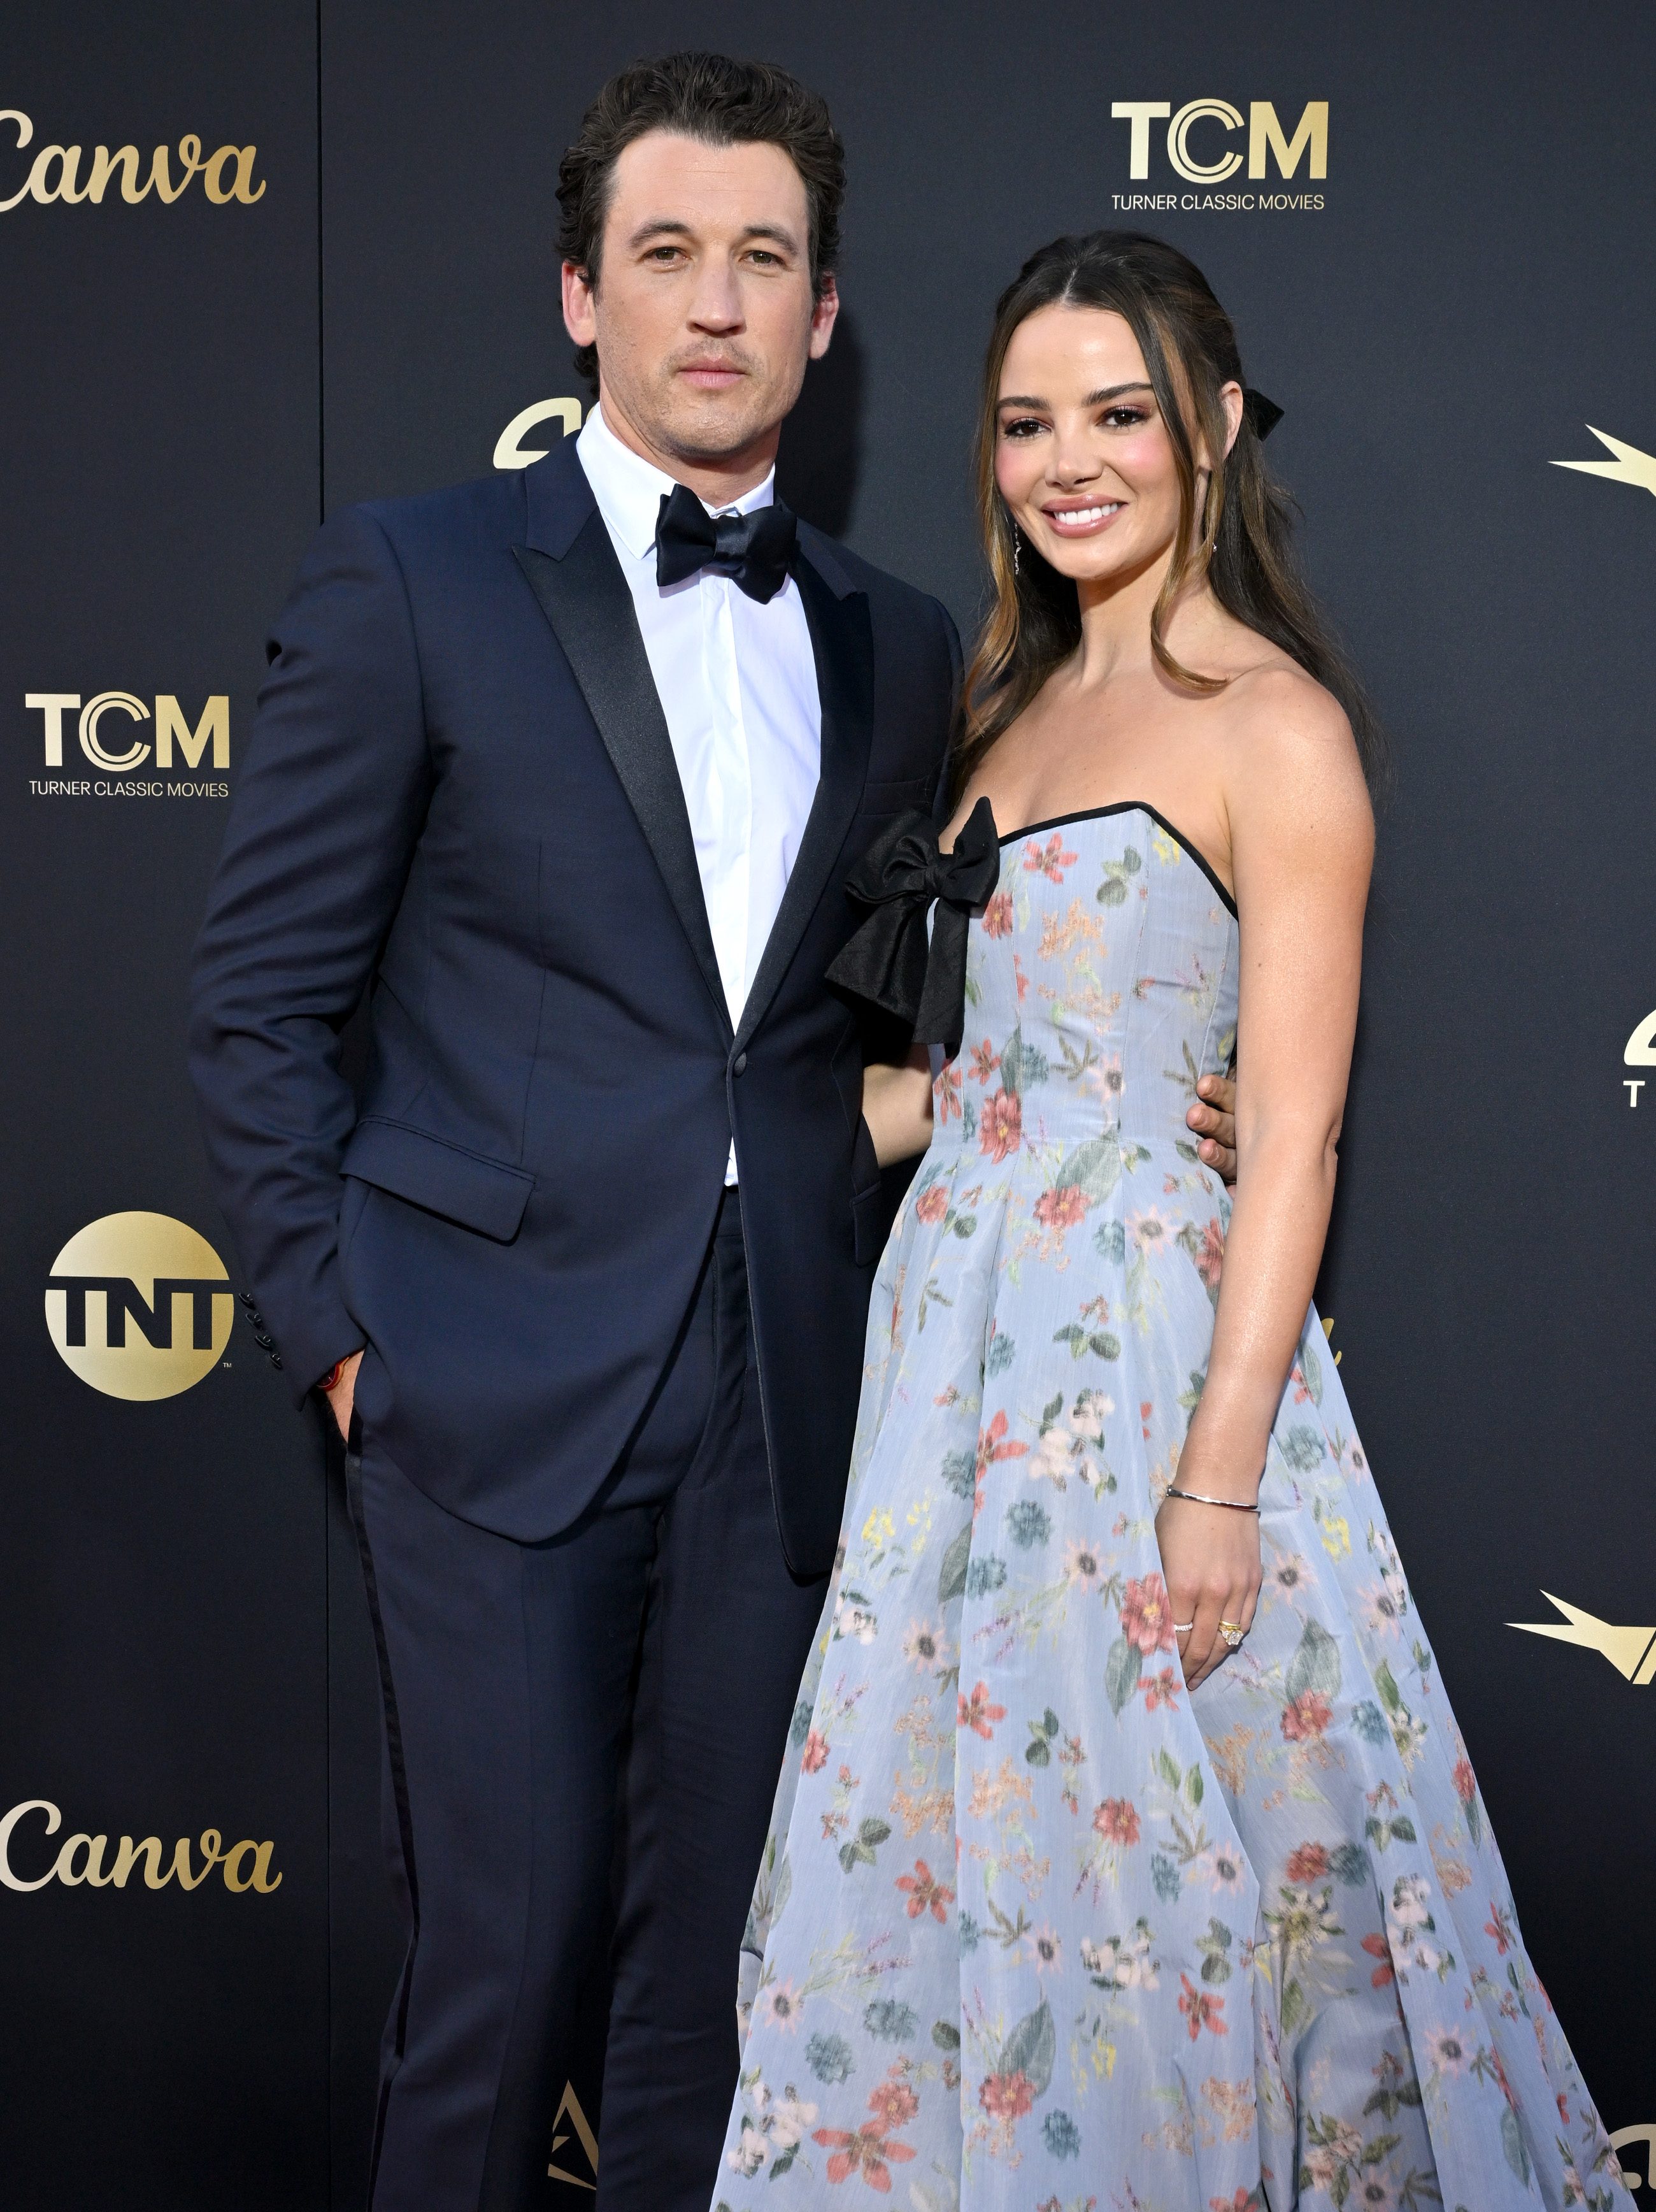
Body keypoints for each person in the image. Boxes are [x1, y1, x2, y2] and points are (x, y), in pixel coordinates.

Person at [189, 56, 1242, 2212]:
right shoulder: (411, 579)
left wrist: (1134, 1084)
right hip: (482, 1384)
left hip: (792, 1402)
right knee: (505, 1966)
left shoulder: (900, 643)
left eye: (764, 259)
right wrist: (346, 1341)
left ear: (827, 314)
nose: (716, 304)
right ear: (581, 295)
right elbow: (257, 1009)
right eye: (666, 254)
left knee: (747, 2002)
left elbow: (888, 1021)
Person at [714, 233, 1630, 2211]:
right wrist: (777, 1124)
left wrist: (1220, 1480)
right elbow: (966, 1071)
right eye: (1030, 422)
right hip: (951, 1361)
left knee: (1209, 1883)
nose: (1070, 463)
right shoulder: (989, 709)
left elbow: (1290, 1139)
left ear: (1213, 429)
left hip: (1144, 1381)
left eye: (1118, 415)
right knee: (970, 1865)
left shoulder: (1271, 725)